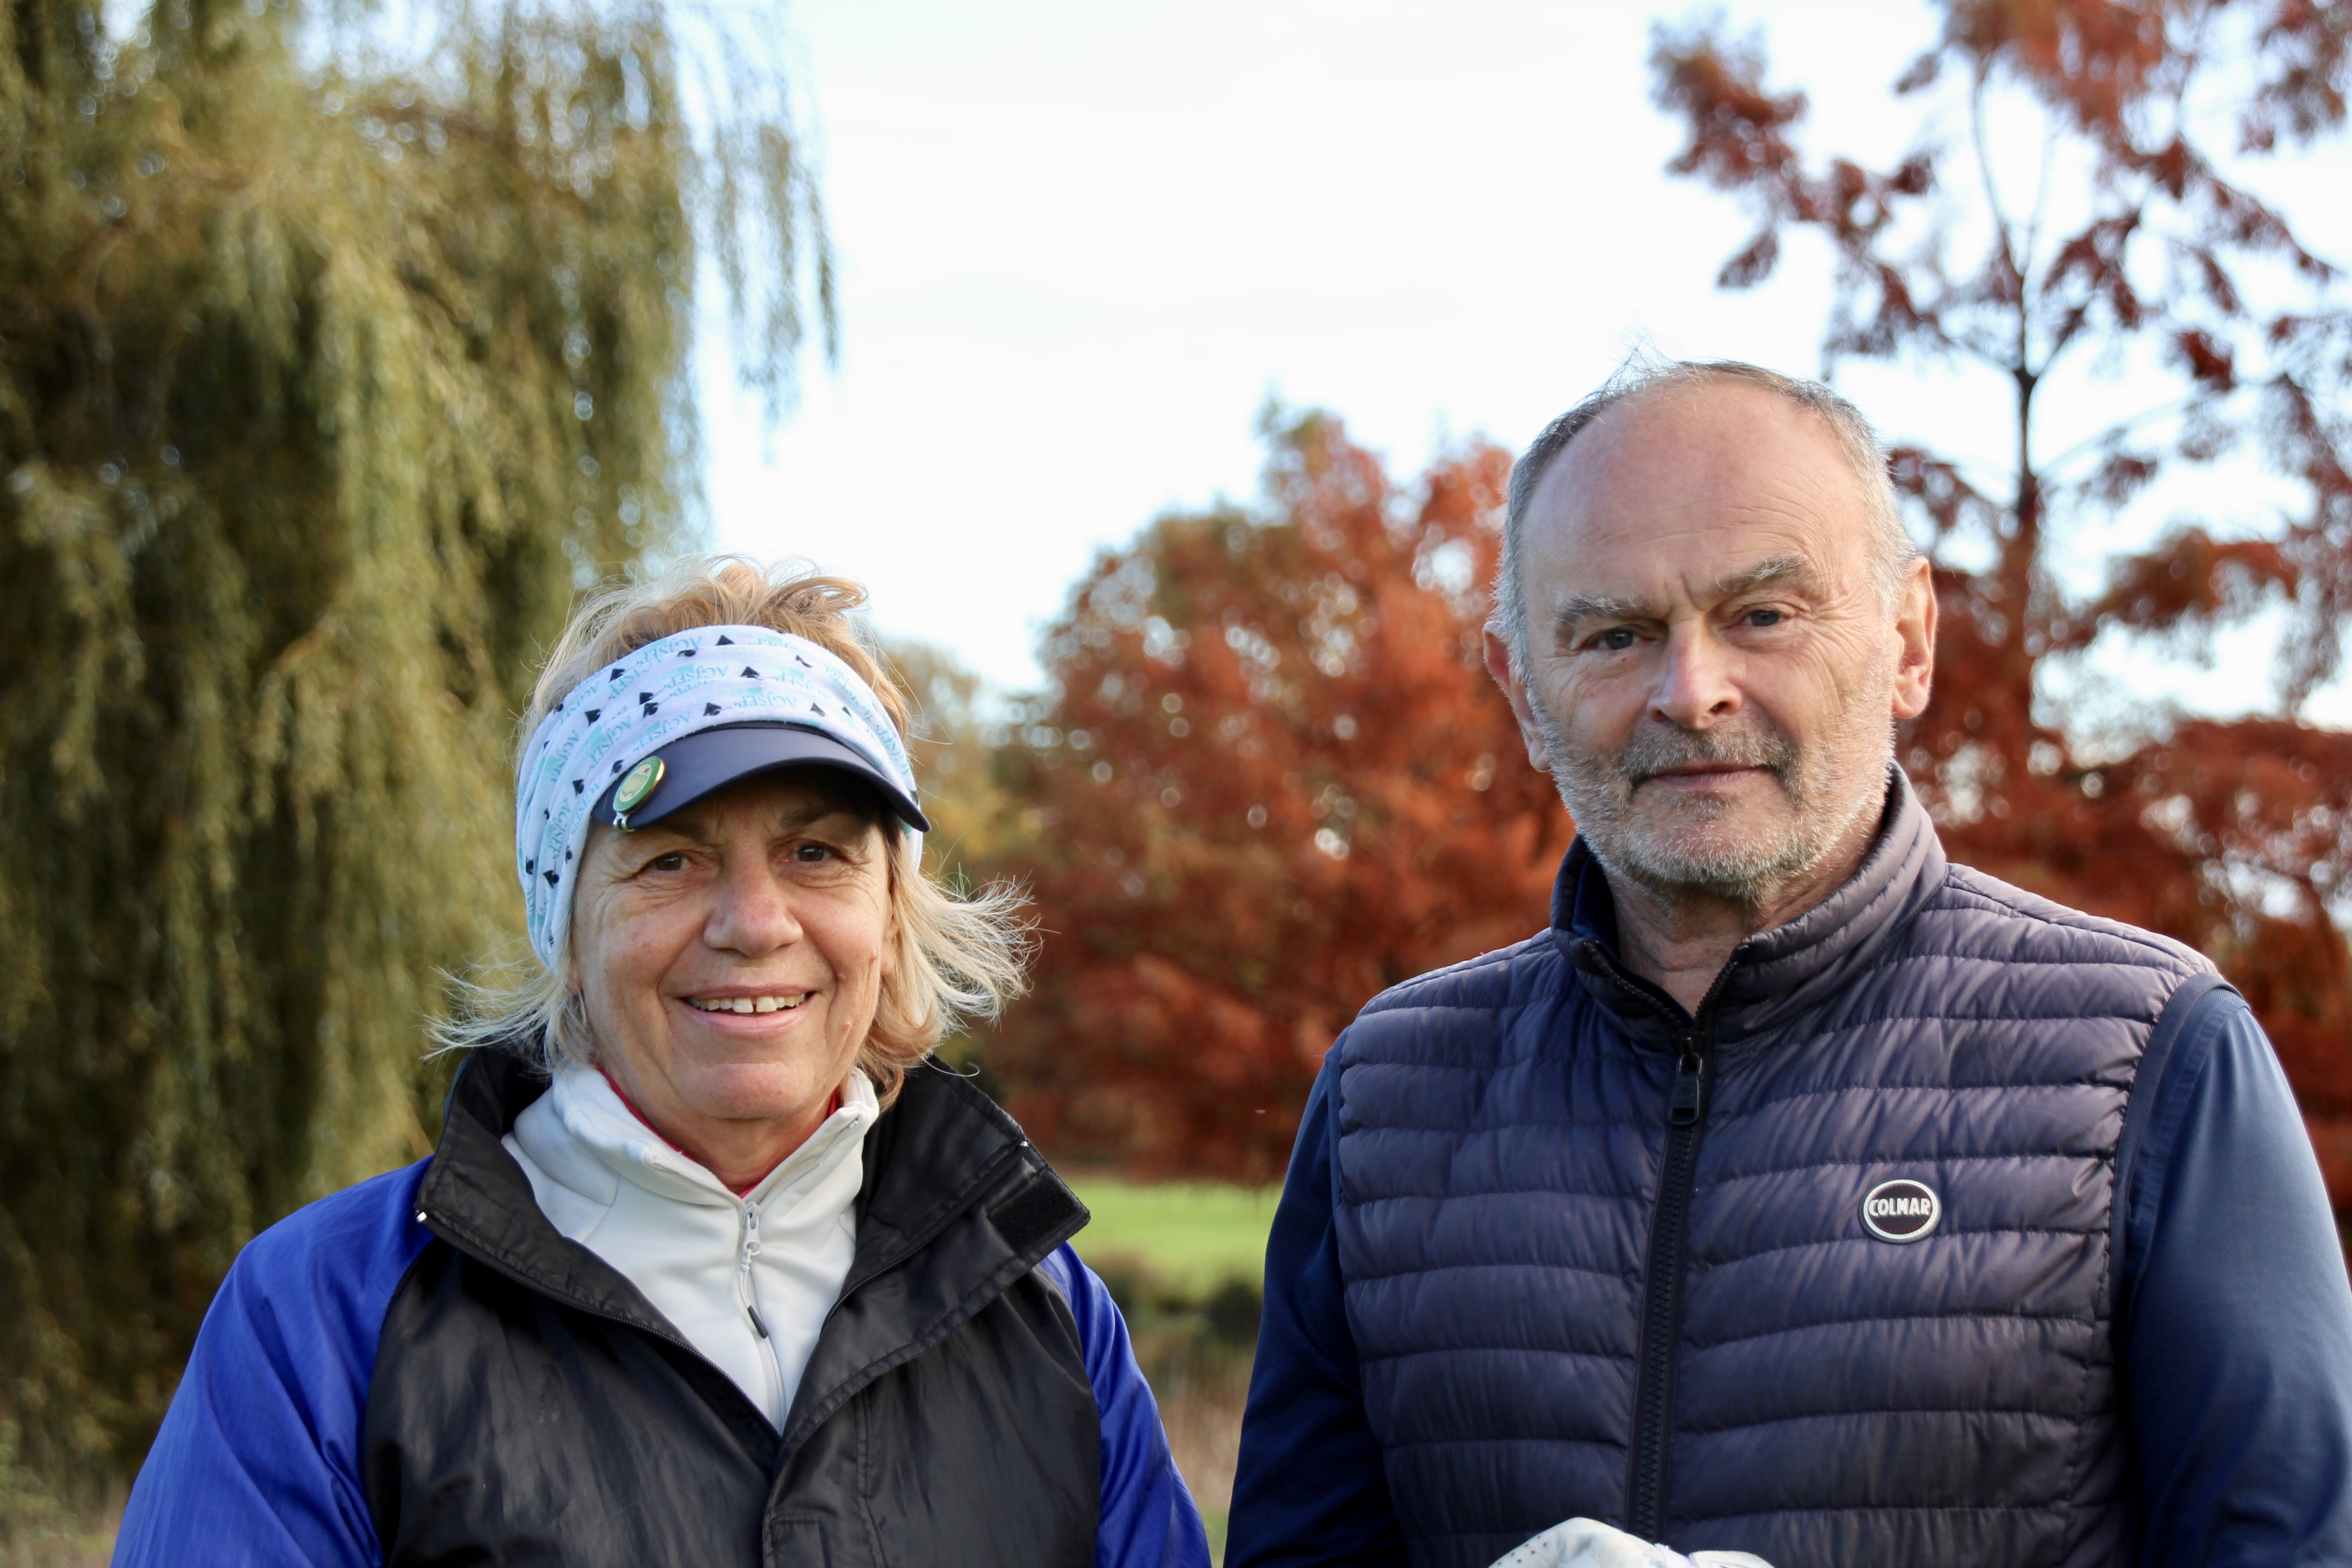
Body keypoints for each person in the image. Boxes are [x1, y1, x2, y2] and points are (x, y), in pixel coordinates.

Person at [1227, 360, 2352, 1568]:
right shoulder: (1388, 1094)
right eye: (1615, 635)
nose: (1690, 693)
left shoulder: (2153, 1061)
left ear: (1908, 640)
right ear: (1523, 694)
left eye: (1762, 615)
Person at [114, 557, 1210, 1568]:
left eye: (816, 852)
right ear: (565, 929)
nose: (753, 923)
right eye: (671, 859)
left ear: (890, 914)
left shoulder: (1043, 1304)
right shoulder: (320, 1315)